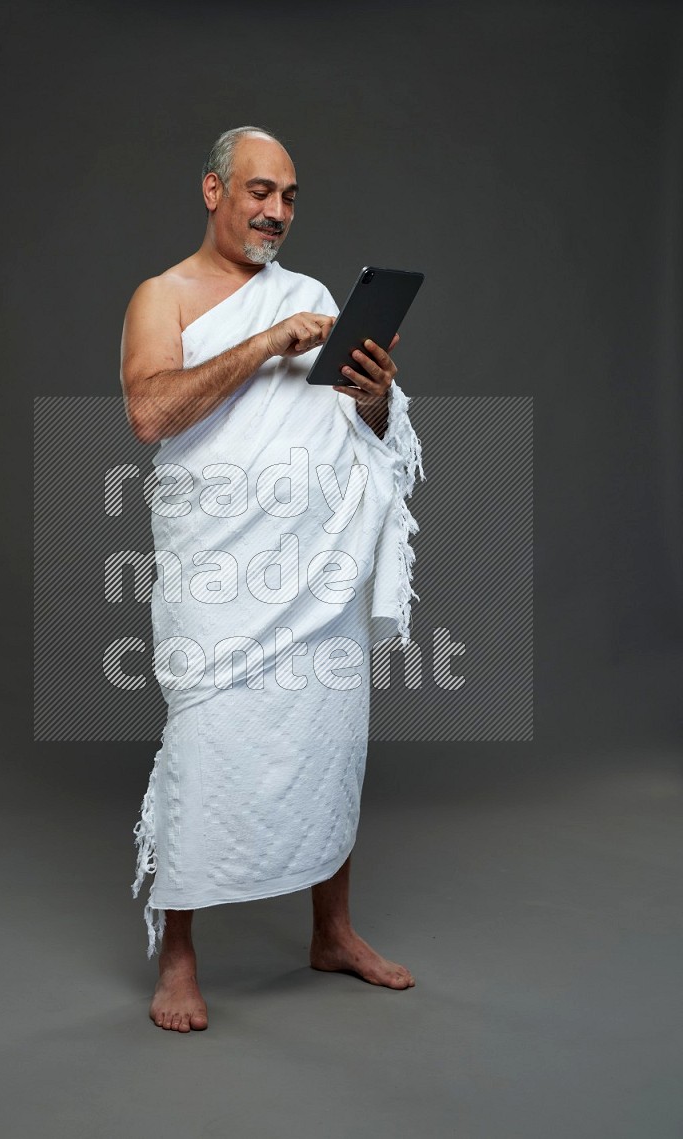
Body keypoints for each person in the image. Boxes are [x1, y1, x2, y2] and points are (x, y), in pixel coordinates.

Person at [120, 125, 423, 1032]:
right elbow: (148, 411)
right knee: (204, 744)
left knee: (328, 736)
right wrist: (264, 345)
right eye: (259, 192)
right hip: (221, 577)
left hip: (314, 573)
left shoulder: (315, 298)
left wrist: (372, 392)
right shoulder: (161, 296)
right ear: (213, 190)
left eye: (289, 197)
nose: (276, 212)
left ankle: (332, 930)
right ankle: (178, 952)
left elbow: (362, 433)